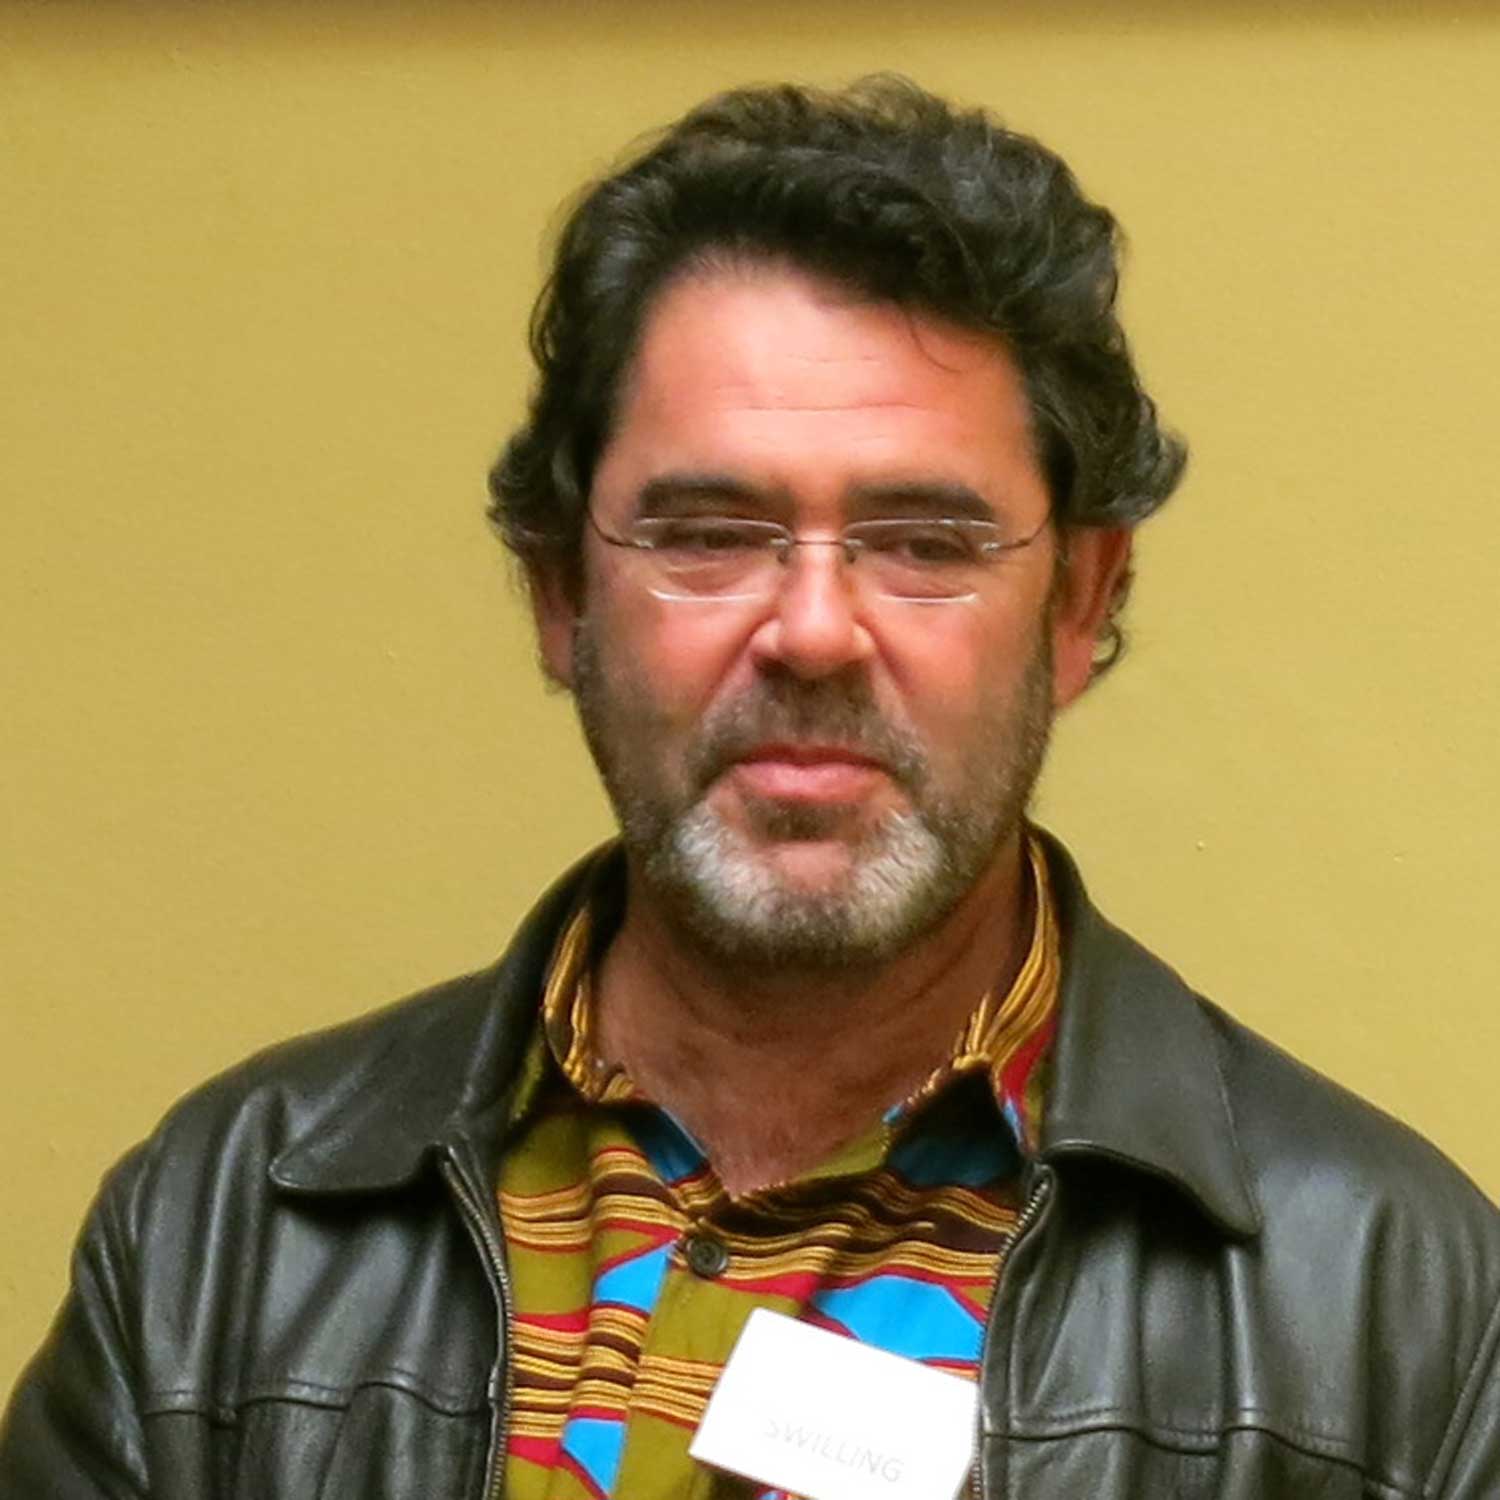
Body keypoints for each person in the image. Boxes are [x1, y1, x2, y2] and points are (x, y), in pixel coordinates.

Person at [3, 76, 1497, 1500]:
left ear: (1077, 604)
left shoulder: (1398, 1314)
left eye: (925, 542)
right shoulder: (216, 1239)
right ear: (560, 593)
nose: (813, 631)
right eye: (709, 534)